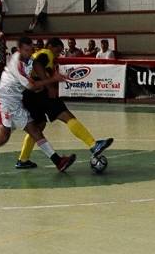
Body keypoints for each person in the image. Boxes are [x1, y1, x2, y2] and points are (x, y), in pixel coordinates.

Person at [0, 36, 75, 178]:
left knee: (34, 130)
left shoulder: (29, 59)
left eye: (31, 50)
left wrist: (48, 85)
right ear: (19, 49)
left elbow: (36, 66)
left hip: (16, 102)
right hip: (4, 100)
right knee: (3, 136)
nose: (29, 52)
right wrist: (52, 79)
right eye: (26, 50)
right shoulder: (17, 64)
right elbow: (32, 86)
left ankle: (58, 161)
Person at [14, 37, 114, 170]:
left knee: (38, 127)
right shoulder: (45, 53)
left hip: (28, 94)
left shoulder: (35, 55)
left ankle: (23, 159)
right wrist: (50, 87)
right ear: (50, 46)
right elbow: (38, 65)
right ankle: (93, 144)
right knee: (67, 116)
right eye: (57, 50)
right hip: (40, 92)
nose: (58, 54)